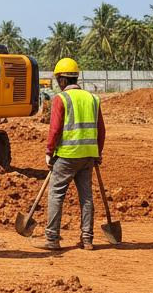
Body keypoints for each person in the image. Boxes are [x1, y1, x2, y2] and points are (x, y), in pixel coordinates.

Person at [37, 58, 105, 251]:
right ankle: (87, 239)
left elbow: (55, 129)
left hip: (67, 155)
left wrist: (49, 152)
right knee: (87, 197)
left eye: (58, 80)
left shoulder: (61, 99)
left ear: (62, 80)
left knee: (56, 194)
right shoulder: (93, 99)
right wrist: (98, 153)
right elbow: (101, 130)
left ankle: (52, 239)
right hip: (88, 156)